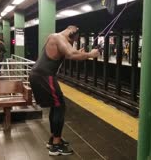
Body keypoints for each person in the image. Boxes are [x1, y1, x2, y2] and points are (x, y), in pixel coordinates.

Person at [29, 26, 99, 156]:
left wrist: (80, 53)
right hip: (44, 76)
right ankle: (56, 146)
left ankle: (54, 138)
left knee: (56, 107)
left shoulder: (56, 38)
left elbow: (69, 52)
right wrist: (90, 54)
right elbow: (71, 54)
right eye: (74, 40)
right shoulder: (58, 37)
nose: (72, 43)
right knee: (60, 106)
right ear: (71, 33)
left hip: (40, 75)